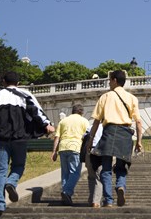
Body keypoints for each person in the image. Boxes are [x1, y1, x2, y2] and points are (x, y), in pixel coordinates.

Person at [0, 72, 54, 217]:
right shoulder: (25, 94)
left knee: (0, 170)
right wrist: (47, 125)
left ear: (4, 81)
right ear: (18, 83)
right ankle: (11, 183)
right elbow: (37, 111)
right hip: (20, 138)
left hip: (1, 138)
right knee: (18, 166)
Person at [87, 70, 143, 207]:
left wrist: (90, 140)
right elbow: (139, 122)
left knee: (105, 168)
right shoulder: (132, 98)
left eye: (110, 80)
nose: (109, 83)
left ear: (114, 80)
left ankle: (108, 200)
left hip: (109, 132)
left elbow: (96, 122)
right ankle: (120, 186)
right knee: (121, 166)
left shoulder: (105, 97)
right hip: (125, 134)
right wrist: (139, 142)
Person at [51, 104, 89, 206]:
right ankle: (66, 192)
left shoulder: (63, 121)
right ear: (81, 112)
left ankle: (65, 196)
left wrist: (54, 152)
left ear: (72, 111)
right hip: (75, 147)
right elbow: (89, 136)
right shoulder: (84, 121)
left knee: (65, 173)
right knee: (75, 173)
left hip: (63, 147)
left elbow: (57, 137)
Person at [84, 122, 104, 208]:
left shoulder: (90, 127)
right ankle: (96, 201)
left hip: (89, 152)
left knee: (91, 177)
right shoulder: (106, 128)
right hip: (101, 152)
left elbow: (84, 138)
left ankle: (91, 199)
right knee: (99, 178)